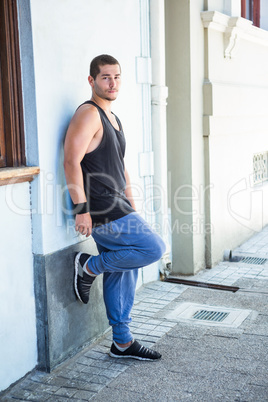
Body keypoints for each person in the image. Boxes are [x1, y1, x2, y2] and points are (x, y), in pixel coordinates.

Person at [64, 54, 166, 360]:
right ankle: (88, 266)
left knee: (124, 268)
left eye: (117, 77)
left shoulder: (114, 119)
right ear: (92, 80)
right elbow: (71, 160)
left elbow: (120, 168)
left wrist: (132, 204)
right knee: (154, 248)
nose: (113, 83)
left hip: (120, 206)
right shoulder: (89, 113)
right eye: (106, 77)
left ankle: (122, 342)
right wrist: (81, 208)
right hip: (101, 209)